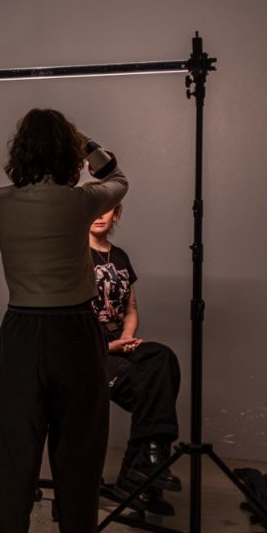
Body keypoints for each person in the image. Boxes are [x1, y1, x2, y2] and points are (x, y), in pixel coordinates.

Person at [0, 108, 127, 533]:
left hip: (21, 331)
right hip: (75, 332)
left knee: (13, 456)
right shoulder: (81, 201)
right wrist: (87, 144)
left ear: (19, 150)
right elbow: (118, 177)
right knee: (80, 456)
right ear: (68, 153)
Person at [89, 205, 182, 514]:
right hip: (88, 347)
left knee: (162, 359)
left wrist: (126, 338)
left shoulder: (121, 256)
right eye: (94, 209)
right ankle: (142, 472)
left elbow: (131, 308)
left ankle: (146, 465)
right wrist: (110, 346)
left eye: (108, 210)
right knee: (144, 384)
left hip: (119, 340)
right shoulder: (72, 253)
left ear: (117, 214)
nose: (100, 215)